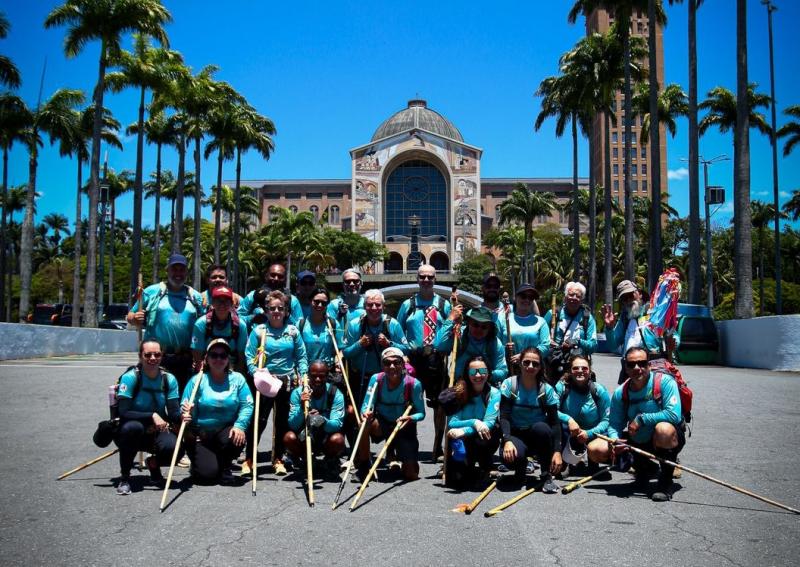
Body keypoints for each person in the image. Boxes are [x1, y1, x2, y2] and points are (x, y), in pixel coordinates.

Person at [605, 347, 685, 502]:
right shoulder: (621, 393)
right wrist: (615, 439)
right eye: (631, 364)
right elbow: (614, 423)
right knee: (606, 445)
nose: (637, 368)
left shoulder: (665, 382)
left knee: (664, 429)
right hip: (639, 441)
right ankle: (646, 471)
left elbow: (673, 415)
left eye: (642, 363)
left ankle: (665, 482)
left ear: (649, 365)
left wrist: (641, 419)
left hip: (667, 438)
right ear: (626, 368)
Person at [243, 290, 309, 476]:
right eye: (272, 308)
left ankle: (278, 458)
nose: (276, 311)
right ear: (266, 310)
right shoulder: (259, 331)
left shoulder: (293, 331)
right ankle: (249, 459)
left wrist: (303, 376)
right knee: (259, 420)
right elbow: (249, 356)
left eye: (280, 308)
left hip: (286, 382)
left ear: (286, 310)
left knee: (281, 422)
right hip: (265, 381)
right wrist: (255, 372)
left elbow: (301, 357)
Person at [396, 264, 451, 460]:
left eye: (430, 277)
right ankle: (409, 444)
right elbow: (398, 330)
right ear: (417, 279)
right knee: (409, 402)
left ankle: (438, 447)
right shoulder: (407, 305)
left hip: (436, 358)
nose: (426, 280)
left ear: (435, 279)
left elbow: (452, 329)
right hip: (413, 359)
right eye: (422, 277)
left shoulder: (444, 305)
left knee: (439, 404)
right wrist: (402, 354)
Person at [113, 339, 181, 496]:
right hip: (130, 429)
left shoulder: (168, 379)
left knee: (175, 448)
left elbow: (172, 412)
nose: (152, 358)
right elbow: (123, 412)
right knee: (133, 428)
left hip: (156, 430)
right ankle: (125, 477)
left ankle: (154, 464)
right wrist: (152, 415)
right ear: (140, 356)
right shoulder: (130, 377)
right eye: (147, 354)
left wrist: (183, 415)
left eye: (157, 354)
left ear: (162, 356)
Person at [180, 339, 253, 485]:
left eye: (223, 355)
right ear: (206, 358)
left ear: (228, 359)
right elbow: (184, 407)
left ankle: (225, 466)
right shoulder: (197, 381)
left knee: (237, 437)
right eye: (214, 355)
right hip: (202, 434)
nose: (218, 359)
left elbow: (247, 405)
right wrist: (187, 414)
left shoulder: (238, 379)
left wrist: (240, 425)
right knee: (207, 476)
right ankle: (200, 462)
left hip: (225, 430)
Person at [127, 253, 205, 390]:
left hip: (185, 360)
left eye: (182, 270)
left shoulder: (195, 297)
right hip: (156, 358)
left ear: (187, 272)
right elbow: (130, 315)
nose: (178, 273)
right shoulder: (152, 291)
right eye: (174, 269)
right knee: (156, 398)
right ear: (167, 270)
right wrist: (134, 318)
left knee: (181, 401)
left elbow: (204, 325)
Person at [357, 348, 425, 481]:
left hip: (403, 425)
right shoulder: (376, 379)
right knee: (363, 424)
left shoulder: (414, 384)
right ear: (382, 365)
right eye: (387, 363)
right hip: (382, 423)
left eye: (396, 362)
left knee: (411, 475)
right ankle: (364, 466)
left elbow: (421, 413)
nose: (392, 366)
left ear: (402, 364)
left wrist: (411, 418)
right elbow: (366, 404)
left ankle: (400, 458)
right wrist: (366, 413)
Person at [498, 347, 561, 493]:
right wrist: (507, 440)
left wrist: (557, 451)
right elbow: (504, 416)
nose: (530, 367)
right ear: (519, 363)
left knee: (543, 428)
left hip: (536, 436)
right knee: (510, 457)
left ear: (540, 367)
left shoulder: (546, 390)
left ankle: (546, 475)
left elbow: (554, 423)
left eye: (535, 364)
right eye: (526, 362)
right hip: (515, 435)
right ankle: (520, 471)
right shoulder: (510, 384)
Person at [602, 279, 679, 384]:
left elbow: (673, 333)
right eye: (624, 298)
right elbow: (613, 345)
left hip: (653, 366)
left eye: (631, 295)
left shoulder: (654, 312)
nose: (629, 300)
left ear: (640, 294)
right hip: (629, 368)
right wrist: (609, 328)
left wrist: (674, 342)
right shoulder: (625, 317)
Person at [342, 289, 409, 407]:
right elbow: (346, 352)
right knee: (360, 413)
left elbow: (406, 349)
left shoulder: (393, 324)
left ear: (383, 306)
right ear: (364, 306)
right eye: (369, 305)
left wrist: (389, 344)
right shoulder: (354, 325)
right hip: (361, 378)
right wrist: (360, 344)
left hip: (387, 378)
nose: (374, 308)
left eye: (378, 305)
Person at [284, 360, 346, 479]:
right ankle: (306, 459)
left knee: (338, 439)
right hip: (304, 434)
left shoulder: (335, 393)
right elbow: (292, 424)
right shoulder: (298, 393)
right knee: (289, 438)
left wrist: (322, 420)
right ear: (308, 376)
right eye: (314, 376)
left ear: (327, 376)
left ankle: (329, 460)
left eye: (321, 376)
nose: (317, 379)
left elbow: (337, 425)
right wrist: (302, 410)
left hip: (325, 436)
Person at [446, 356, 501, 488]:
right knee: (456, 481)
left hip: (482, 437)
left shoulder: (494, 393)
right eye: (473, 372)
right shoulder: (458, 391)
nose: (478, 375)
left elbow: (489, 423)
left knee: (482, 436)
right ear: (467, 373)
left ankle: (485, 466)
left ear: (488, 372)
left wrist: (465, 430)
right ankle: (468, 466)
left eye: (482, 371)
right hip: (461, 438)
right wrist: (474, 422)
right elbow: (452, 423)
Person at [555, 355, 611, 478]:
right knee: (558, 426)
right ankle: (566, 462)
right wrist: (569, 420)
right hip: (568, 433)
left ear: (590, 371)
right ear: (570, 371)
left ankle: (593, 462)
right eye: (576, 368)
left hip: (593, 434)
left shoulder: (598, 390)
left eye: (584, 368)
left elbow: (607, 420)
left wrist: (589, 433)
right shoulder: (562, 387)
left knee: (602, 447)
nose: (580, 371)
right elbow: (552, 411)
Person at [434, 305, 507, 387]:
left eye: (484, 327)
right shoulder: (459, 335)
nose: (479, 329)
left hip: (484, 388)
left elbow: (503, 372)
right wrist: (450, 319)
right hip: (460, 386)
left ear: (490, 328)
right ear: (469, 323)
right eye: (475, 325)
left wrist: (485, 373)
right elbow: (439, 346)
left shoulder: (495, 344)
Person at [545, 282, 598, 381]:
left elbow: (593, 345)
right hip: (554, 364)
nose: (574, 298)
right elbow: (541, 337)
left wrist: (577, 342)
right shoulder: (553, 314)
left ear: (582, 300)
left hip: (578, 367)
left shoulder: (587, 318)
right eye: (571, 294)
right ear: (565, 297)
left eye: (578, 296)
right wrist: (549, 342)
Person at [191, 286, 248, 372]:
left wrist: (237, 377)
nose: (222, 304)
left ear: (232, 303)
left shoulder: (240, 325)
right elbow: (197, 355)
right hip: (207, 369)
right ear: (212, 303)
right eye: (218, 300)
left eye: (226, 301)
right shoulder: (201, 323)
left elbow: (242, 357)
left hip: (232, 369)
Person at [238, 263, 303, 330]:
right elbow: (237, 318)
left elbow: (300, 326)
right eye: (273, 275)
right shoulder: (253, 296)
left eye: (280, 276)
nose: (276, 279)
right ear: (266, 276)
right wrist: (251, 318)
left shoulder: (292, 300)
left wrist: (287, 315)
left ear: (285, 279)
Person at [505, 283, 551, 371]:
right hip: (510, 369)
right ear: (515, 297)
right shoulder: (505, 318)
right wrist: (506, 348)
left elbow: (545, 346)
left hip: (532, 368)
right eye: (523, 296)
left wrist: (524, 357)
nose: (527, 299)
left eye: (530, 298)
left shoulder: (541, 322)